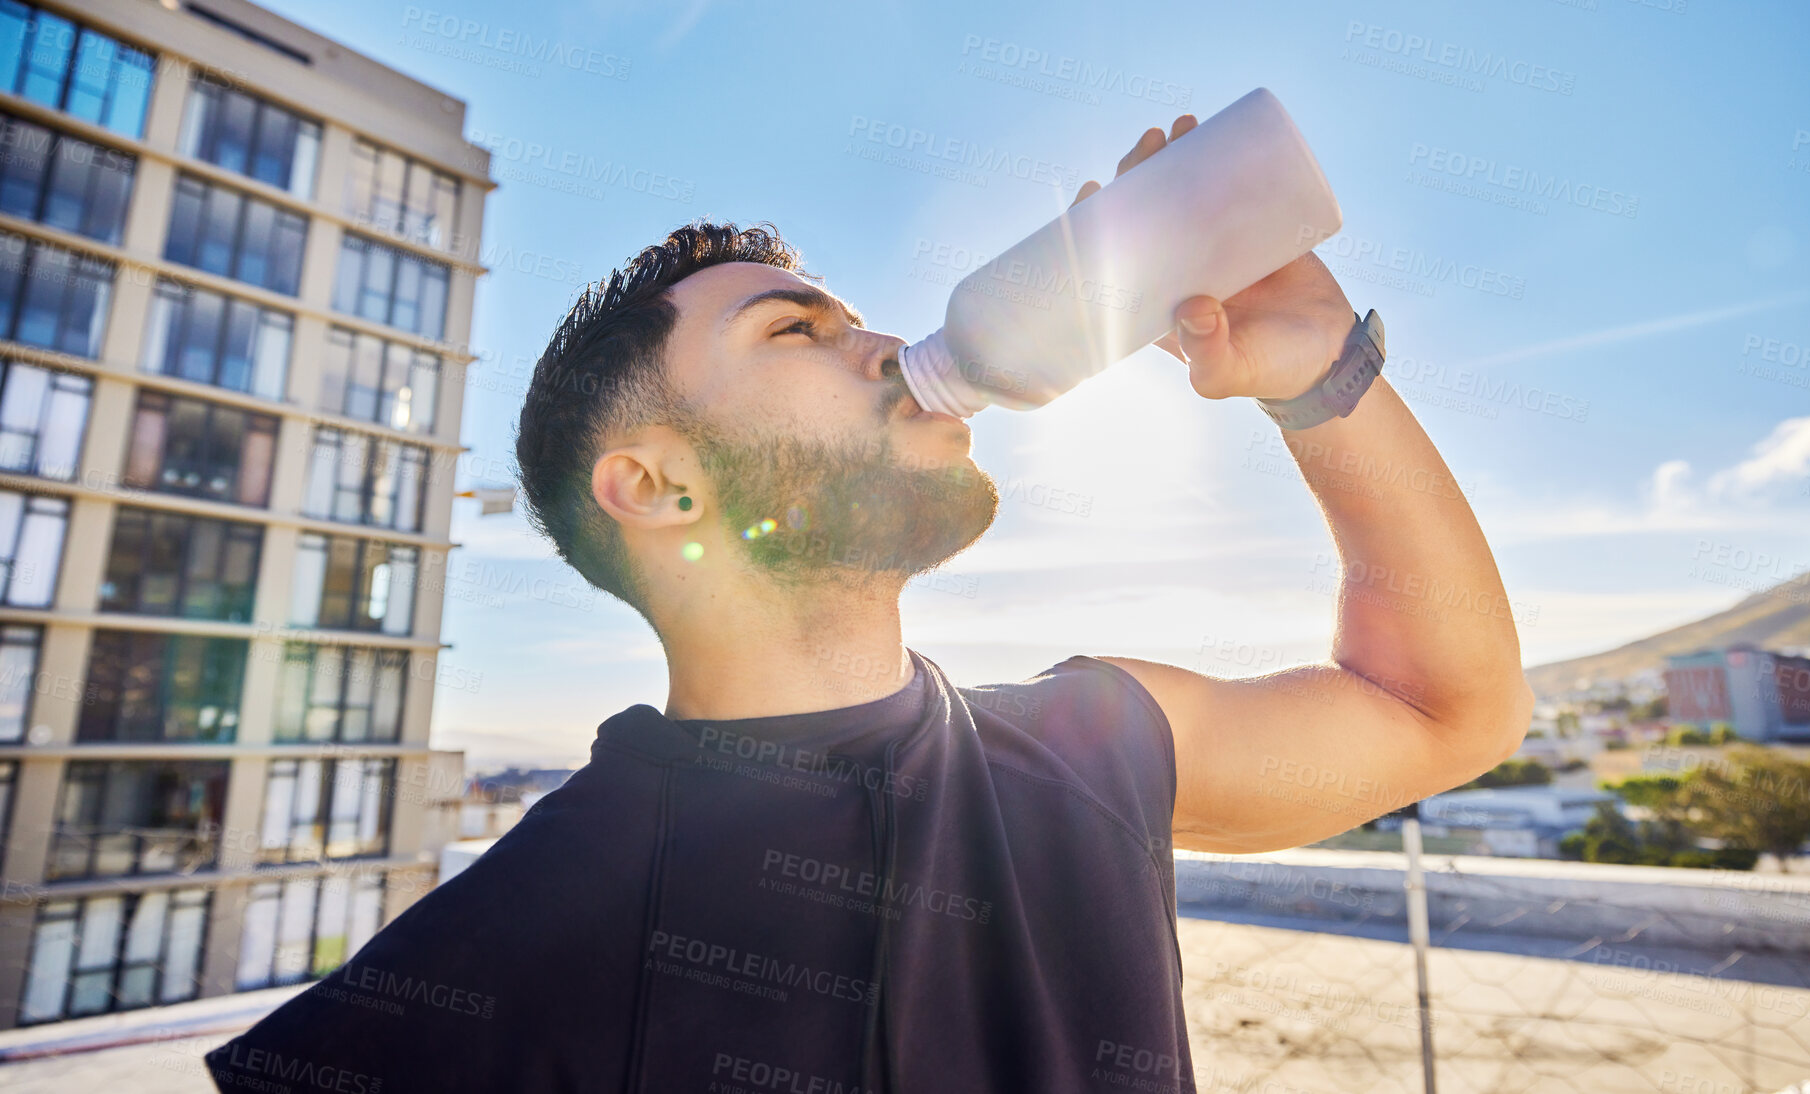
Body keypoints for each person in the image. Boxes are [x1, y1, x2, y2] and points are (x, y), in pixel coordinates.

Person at [205, 114, 1531, 1093]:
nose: (889, 344)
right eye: (794, 331)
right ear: (656, 486)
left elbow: (1445, 709)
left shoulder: (1092, 749)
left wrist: (1319, 375)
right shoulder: (464, 987)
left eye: (852, 316)